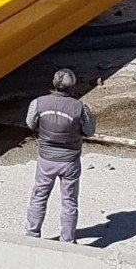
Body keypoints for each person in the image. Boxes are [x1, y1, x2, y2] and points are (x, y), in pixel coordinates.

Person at [24, 68, 96, 242]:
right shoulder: (79, 108)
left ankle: (32, 235)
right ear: (73, 88)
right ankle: (68, 240)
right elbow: (89, 131)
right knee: (69, 201)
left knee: (39, 196)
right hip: (70, 161)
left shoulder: (38, 103)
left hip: (46, 159)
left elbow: (30, 123)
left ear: (53, 83)